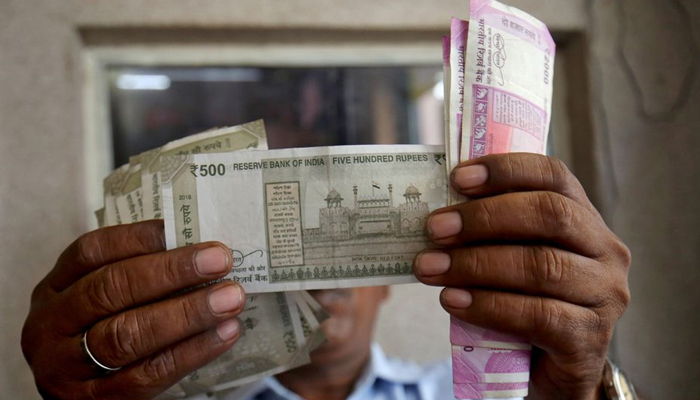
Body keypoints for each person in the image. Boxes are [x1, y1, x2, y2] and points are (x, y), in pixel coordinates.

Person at [21, 153, 632, 400]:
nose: (320, 281)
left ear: (390, 279)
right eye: (294, 255)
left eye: (344, 259)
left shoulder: (476, 394)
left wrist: (590, 386)